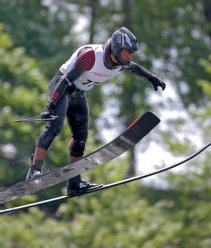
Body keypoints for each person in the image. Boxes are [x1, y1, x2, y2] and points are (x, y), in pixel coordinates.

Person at [26, 27, 166, 196]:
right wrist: (51, 105)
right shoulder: (91, 56)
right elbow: (65, 80)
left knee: (81, 138)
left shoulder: (120, 64)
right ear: (115, 48)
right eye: (127, 52)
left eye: (132, 53)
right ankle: (34, 170)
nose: (130, 57)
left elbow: (136, 68)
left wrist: (152, 78)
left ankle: (74, 183)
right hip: (62, 88)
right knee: (54, 128)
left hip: (78, 94)